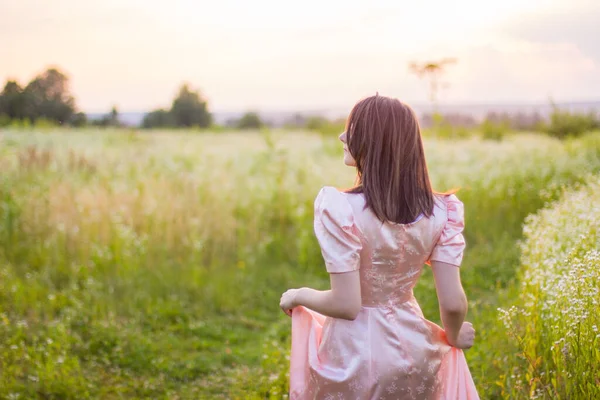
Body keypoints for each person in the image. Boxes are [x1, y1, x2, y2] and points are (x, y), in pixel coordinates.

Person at [279, 94, 479, 399]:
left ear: (373, 141)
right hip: (417, 349)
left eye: (353, 129)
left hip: (355, 357)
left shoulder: (340, 208)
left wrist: (298, 295)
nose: (342, 136)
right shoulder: (443, 211)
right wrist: (454, 333)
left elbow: (347, 305)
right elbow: (452, 303)